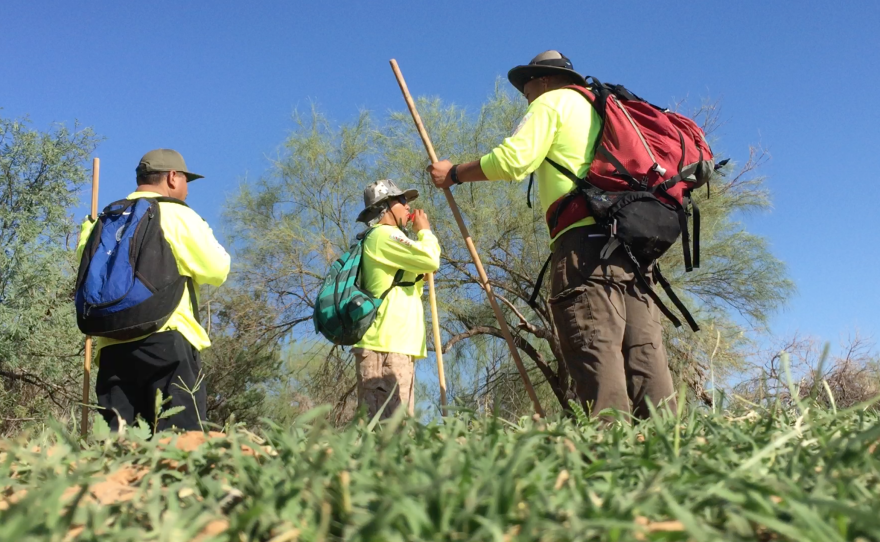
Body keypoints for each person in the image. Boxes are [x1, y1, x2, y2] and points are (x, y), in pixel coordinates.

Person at [427, 51, 676, 420]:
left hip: (584, 245)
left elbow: (514, 160)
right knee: (643, 347)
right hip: (634, 245)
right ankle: (669, 444)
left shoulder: (552, 102)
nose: (525, 95)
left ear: (542, 80)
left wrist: (455, 174)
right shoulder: (607, 109)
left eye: (526, 87)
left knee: (595, 342)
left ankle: (612, 448)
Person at [76, 149, 230, 430]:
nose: (186, 190)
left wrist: (87, 231)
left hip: (111, 346)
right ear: (172, 177)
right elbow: (217, 269)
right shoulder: (176, 215)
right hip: (167, 341)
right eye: (185, 180)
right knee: (179, 443)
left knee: (118, 444)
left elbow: (86, 268)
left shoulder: (104, 220)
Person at [352, 179, 441, 419]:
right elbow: (431, 258)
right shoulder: (383, 235)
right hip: (384, 349)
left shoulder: (388, 238)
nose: (408, 206)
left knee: (399, 435)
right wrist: (424, 231)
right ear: (385, 207)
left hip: (397, 348)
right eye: (402, 201)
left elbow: (414, 282)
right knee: (385, 435)